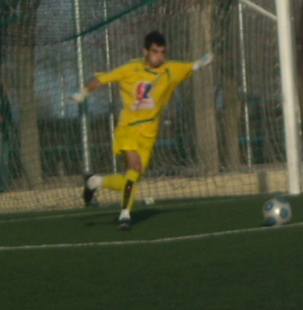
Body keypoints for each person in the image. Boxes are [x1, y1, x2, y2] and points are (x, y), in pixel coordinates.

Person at [71, 31, 213, 230]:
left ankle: (94, 182)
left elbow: (192, 66)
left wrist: (205, 60)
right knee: (135, 167)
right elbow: (102, 79)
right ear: (146, 51)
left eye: (162, 52)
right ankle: (125, 216)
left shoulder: (170, 70)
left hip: (149, 134)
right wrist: (84, 92)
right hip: (128, 129)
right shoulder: (131, 68)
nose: (159, 57)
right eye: (155, 52)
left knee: (130, 179)